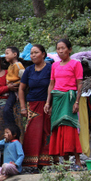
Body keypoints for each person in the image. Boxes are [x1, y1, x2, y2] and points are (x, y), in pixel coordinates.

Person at [45, 39, 84, 169]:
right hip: (57, 99)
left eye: (63, 48)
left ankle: (77, 160)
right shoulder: (54, 66)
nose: (60, 51)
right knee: (58, 127)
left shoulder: (76, 64)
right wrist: (48, 102)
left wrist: (77, 102)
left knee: (69, 128)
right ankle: (66, 162)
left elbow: (80, 84)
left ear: (70, 49)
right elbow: (51, 84)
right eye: (58, 49)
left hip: (69, 98)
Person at [18, 44, 53, 171]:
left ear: (43, 54)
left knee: (46, 131)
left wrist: (49, 103)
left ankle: (46, 162)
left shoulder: (50, 68)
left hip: (47, 104)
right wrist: (23, 107)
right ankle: (30, 163)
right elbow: (21, 89)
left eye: (36, 52)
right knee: (32, 132)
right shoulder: (29, 70)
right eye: (31, 53)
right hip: (32, 104)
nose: (33, 55)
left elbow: (52, 85)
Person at [3, 46, 25, 127]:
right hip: (10, 89)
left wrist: (18, 85)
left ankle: (10, 126)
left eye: (7, 53)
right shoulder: (10, 66)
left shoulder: (18, 65)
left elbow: (24, 78)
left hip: (16, 90)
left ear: (15, 54)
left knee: (7, 109)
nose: (5, 56)